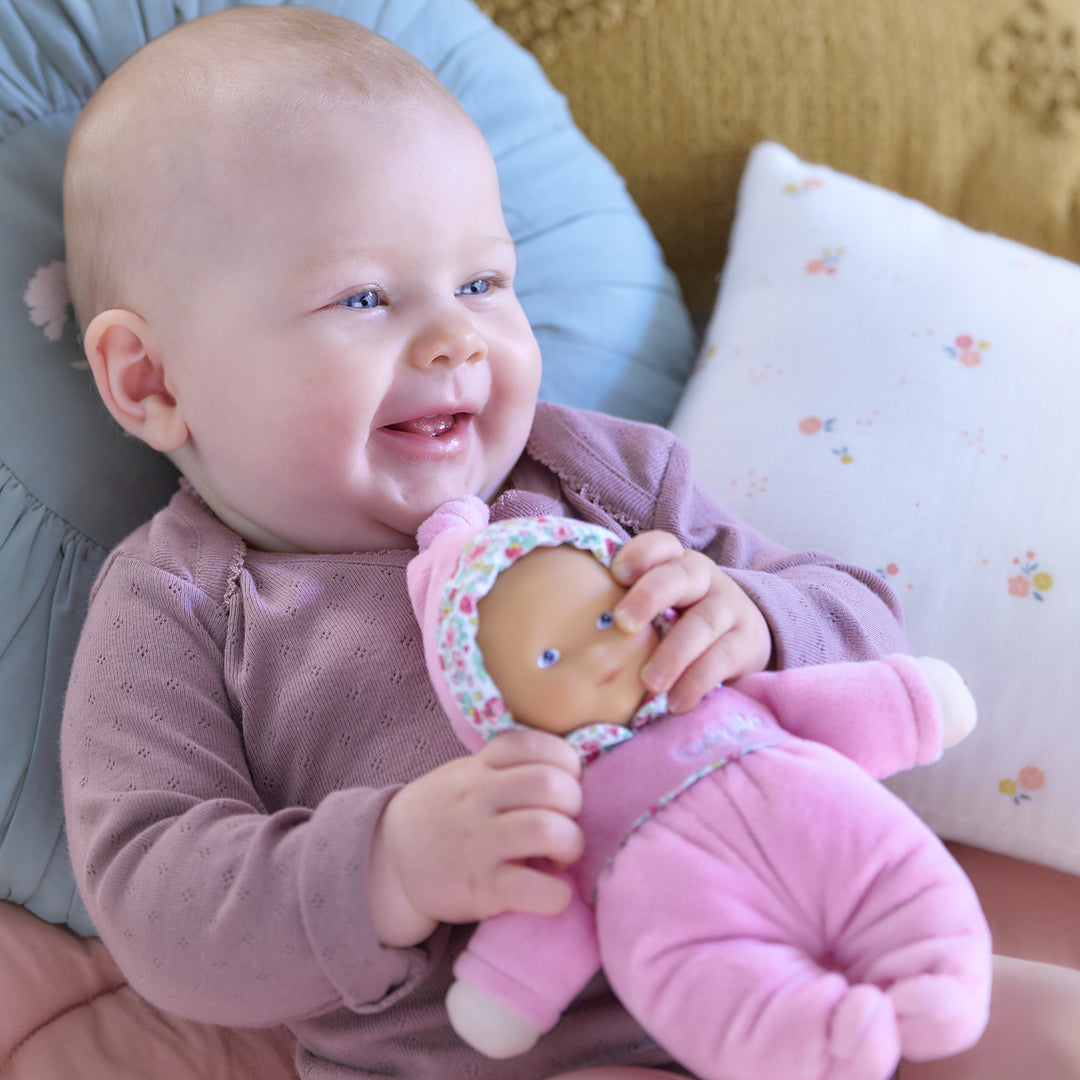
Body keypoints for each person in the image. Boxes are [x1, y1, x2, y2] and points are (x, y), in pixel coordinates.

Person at [56, 6, 1080, 1080]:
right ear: (151, 380)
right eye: (363, 296)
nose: (457, 336)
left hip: (822, 946)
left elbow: (863, 613)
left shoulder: (594, 473)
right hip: (529, 1046)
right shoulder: (179, 605)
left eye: (484, 284)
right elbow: (158, 901)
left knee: (1048, 1029)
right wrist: (391, 867)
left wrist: (759, 619)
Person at [406, 498, 991, 1080]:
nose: (598, 653)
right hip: (689, 918)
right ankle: (815, 1044)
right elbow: (550, 906)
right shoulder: (561, 803)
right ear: (490, 704)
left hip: (826, 831)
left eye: (607, 619)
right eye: (550, 657)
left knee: (889, 866)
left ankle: (938, 975)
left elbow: (825, 702)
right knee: (708, 978)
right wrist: (506, 988)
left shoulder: (723, 691)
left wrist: (911, 702)